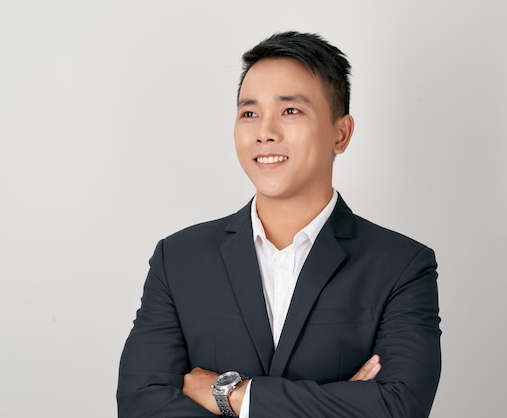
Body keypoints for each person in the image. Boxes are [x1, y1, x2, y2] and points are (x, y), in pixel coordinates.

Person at [117, 31, 441, 418]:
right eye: (249, 113)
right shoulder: (179, 258)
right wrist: (339, 404)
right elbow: (141, 403)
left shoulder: (401, 265)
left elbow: (398, 407)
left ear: (341, 133)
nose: (264, 132)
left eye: (290, 111)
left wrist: (233, 395)